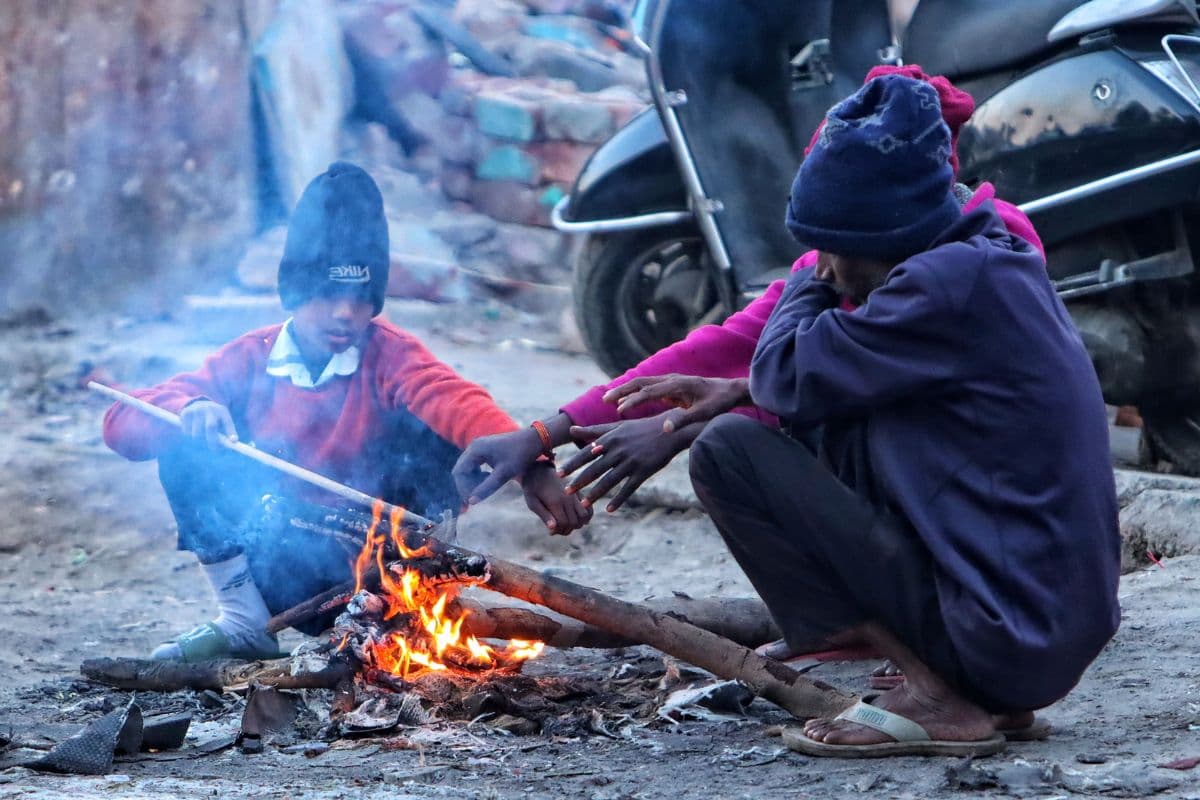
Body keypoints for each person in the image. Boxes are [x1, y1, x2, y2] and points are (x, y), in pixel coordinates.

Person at [682, 74, 1120, 757]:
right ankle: (977, 692)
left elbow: (779, 378)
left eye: (835, 249)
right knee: (833, 422)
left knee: (728, 452)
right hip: (1033, 630)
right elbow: (808, 390)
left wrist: (806, 282)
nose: (829, 266)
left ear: (888, 234)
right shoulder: (985, 265)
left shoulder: (944, 285)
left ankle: (937, 693)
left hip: (1008, 634)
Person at [451, 65, 1044, 534]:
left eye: (832, 245)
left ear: (884, 222)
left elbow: (844, 397)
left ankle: (914, 624)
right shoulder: (849, 259)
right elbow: (723, 348)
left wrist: (678, 428)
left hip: (997, 527)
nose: (821, 266)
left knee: (750, 446)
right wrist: (543, 434)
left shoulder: (975, 268)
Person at [103, 162, 583, 662]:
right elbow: (120, 424)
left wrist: (533, 462)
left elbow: (459, 402)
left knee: (433, 429)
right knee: (183, 437)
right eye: (328, 294)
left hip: (373, 562)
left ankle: (409, 616)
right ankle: (245, 622)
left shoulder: (390, 354)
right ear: (294, 292)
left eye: (359, 299)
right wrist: (191, 408)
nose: (344, 314)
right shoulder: (249, 358)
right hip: (281, 561)